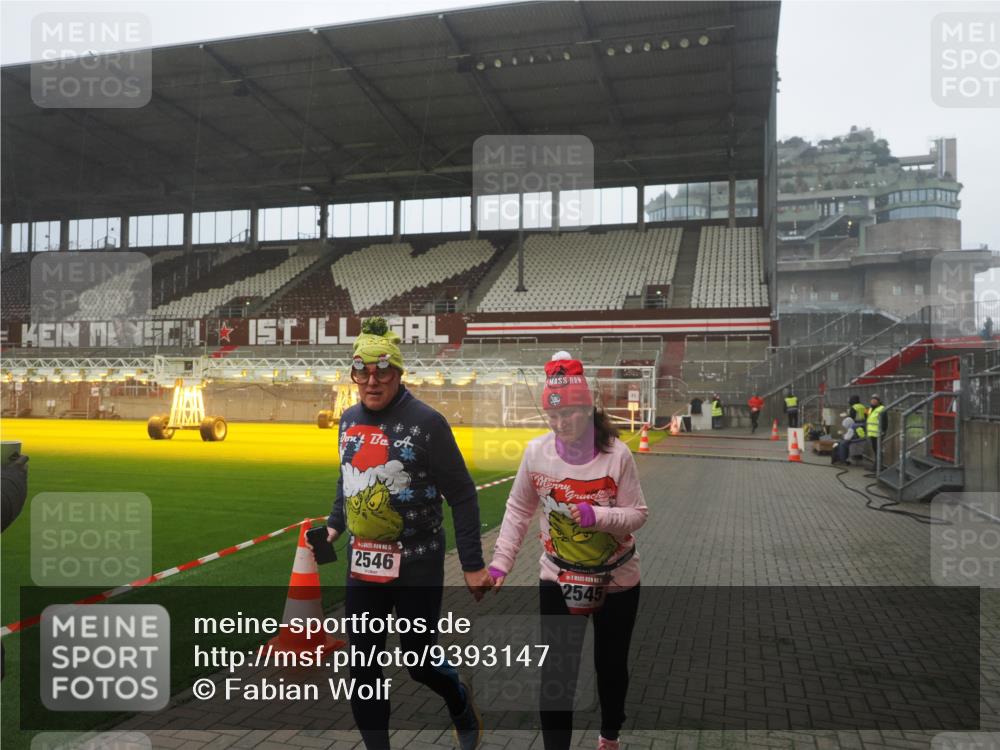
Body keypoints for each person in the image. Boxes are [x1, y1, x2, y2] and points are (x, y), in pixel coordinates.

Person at [320, 317, 492, 750]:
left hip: (418, 562)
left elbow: (462, 494)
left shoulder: (427, 422)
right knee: (362, 668)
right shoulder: (346, 420)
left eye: (382, 370)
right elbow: (348, 481)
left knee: (418, 661)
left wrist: (472, 563)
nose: (371, 381)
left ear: (398, 372)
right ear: (353, 374)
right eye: (362, 371)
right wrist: (335, 524)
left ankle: (458, 699)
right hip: (363, 566)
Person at [488, 352, 648, 750]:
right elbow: (518, 510)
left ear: (588, 408)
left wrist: (598, 517)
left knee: (610, 666)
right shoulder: (536, 454)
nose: (561, 425)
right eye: (553, 417)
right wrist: (501, 562)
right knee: (557, 673)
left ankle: (609, 735)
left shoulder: (617, 455)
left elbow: (638, 515)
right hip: (558, 577)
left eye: (570, 415)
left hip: (617, 579)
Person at [866, 395, 888, 466]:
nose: (873, 401)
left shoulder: (881, 409)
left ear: (878, 401)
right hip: (872, 433)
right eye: (872, 400)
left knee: (878, 450)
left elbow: (885, 421)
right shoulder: (870, 409)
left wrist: (883, 431)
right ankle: (876, 465)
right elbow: (868, 418)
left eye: (875, 400)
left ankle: (878, 465)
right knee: (875, 449)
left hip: (878, 433)